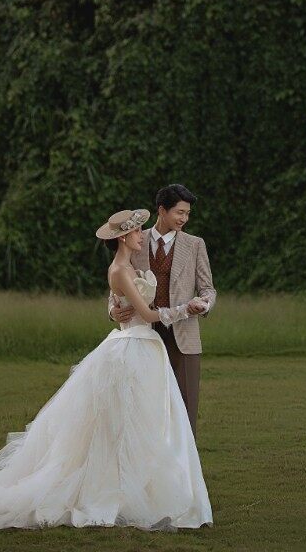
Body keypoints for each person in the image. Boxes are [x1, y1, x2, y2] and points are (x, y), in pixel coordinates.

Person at [0, 209, 212, 530]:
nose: (142, 235)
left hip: (140, 346)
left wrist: (114, 307)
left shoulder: (126, 266)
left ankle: (134, 481)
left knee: (135, 421)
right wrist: (184, 309)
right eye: (137, 232)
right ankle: (114, 486)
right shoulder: (120, 269)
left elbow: (120, 300)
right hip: (133, 346)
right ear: (124, 237)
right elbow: (148, 316)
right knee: (121, 421)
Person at [109, 184, 216, 433]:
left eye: (187, 213)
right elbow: (118, 282)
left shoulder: (195, 244)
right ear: (162, 210)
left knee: (185, 410)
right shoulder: (135, 239)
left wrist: (205, 304)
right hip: (143, 338)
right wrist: (112, 311)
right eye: (179, 212)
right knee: (143, 410)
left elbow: (208, 288)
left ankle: (184, 471)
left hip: (184, 337)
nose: (184, 218)